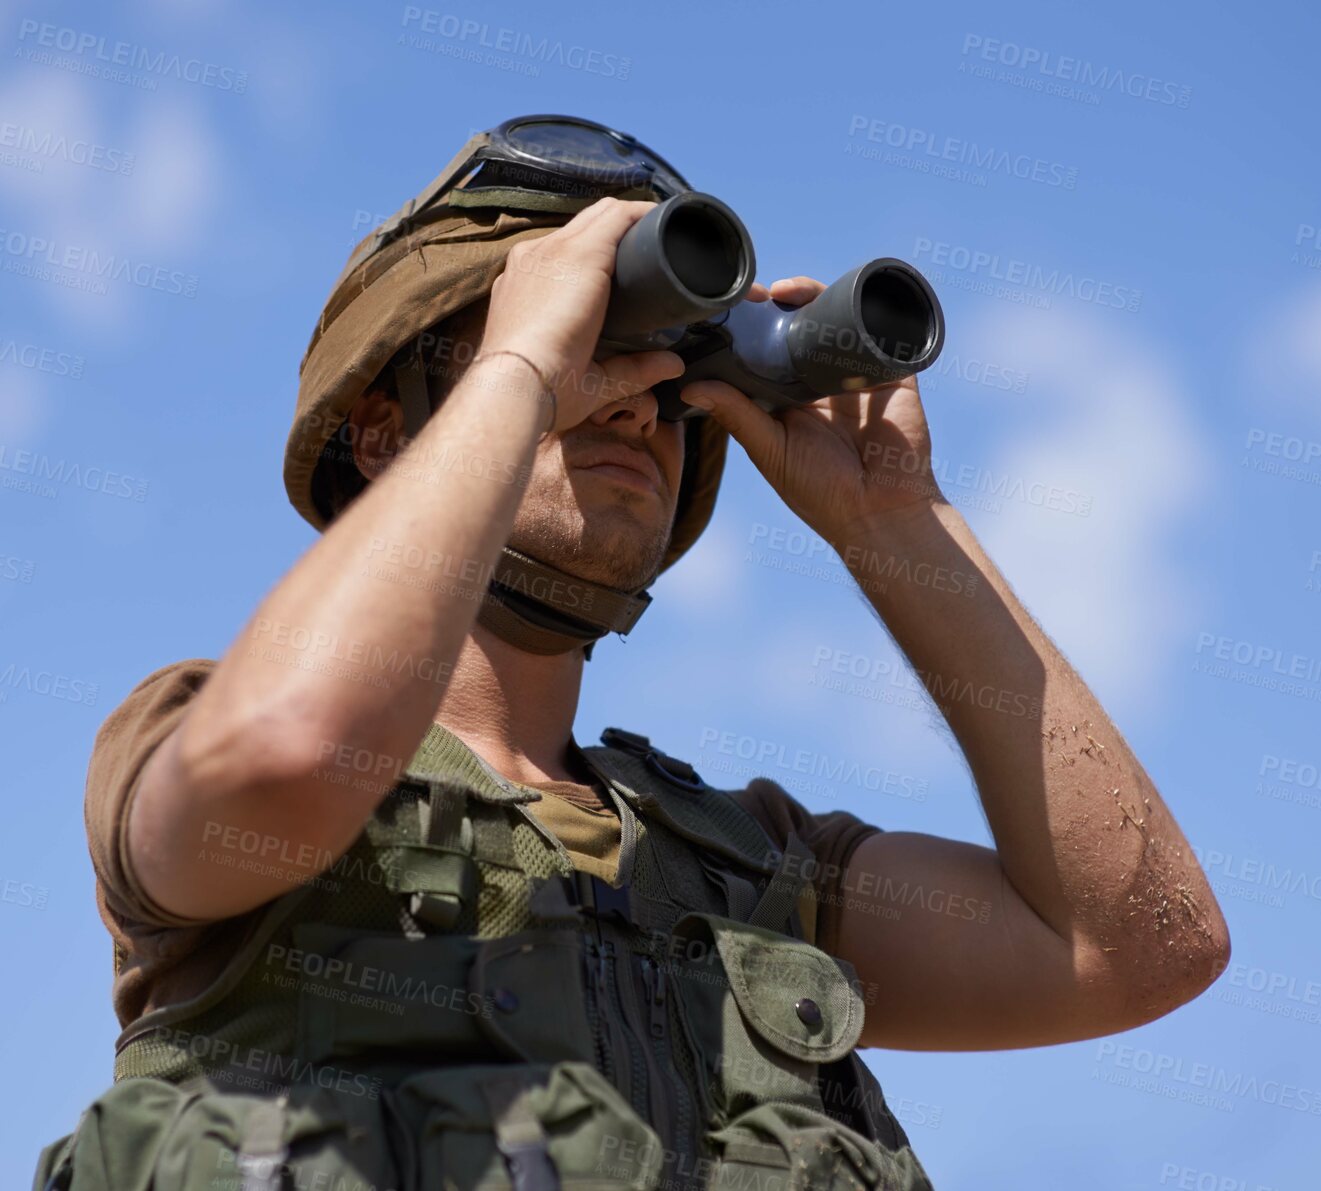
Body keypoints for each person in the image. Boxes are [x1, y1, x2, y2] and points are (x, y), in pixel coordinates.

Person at [38, 115, 1230, 1191]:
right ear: (382, 422)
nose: (630, 404)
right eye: (595, 353)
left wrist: (897, 523)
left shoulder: (744, 872)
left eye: (669, 379)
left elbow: (1138, 944)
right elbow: (293, 753)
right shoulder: (190, 730)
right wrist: (519, 370)